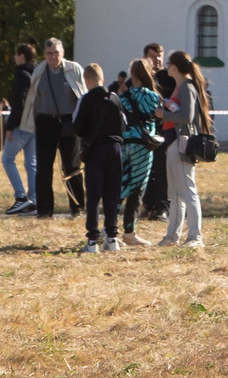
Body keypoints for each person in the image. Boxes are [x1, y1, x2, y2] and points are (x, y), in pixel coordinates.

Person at [28, 38, 88, 219]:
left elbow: (82, 96)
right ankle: (45, 210)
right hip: (46, 122)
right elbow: (34, 100)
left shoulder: (74, 69)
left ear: (63, 53)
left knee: (72, 166)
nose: (54, 56)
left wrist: (83, 123)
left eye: (57, 53)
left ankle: (77, 207)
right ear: (44, 55)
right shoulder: (39, 71)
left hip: (69, 122)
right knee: (44, 167)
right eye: (50, 53)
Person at [72, 61, 125, 254]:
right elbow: (123, 125)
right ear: (101, 78)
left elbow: (76, 127)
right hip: (115, 149)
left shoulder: (85, 100)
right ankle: (112, 238)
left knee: (93, 196)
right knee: (112, 194)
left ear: (87, 80)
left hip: (95, 151)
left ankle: (92, 240)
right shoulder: (114, 98)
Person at [160, 50, 210, 247]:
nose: (165, 66)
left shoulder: (186, 87)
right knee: (175, 193)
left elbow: (187, 117)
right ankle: (173, 235)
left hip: (182, 144)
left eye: (168, 63)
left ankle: (195, 237)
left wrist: (162, 114)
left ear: (174, 67)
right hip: (174, 143)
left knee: (188, 191)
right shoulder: (180, 87)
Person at [116, 59, 166, 247]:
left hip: (125, 144)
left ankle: (110, 228)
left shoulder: (124, 97)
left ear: (132, 74)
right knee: (137, 188)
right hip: (143, 146)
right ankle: (129, 232)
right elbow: (159, 117)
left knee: (121, 186)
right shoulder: (152, 96)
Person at [140, 42, 174, 226]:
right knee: (147, 169)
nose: (158, 60)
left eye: (160, 56)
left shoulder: (168, 78)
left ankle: (162, 207)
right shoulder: (140, 78)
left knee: (162, 170)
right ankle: (148, 205)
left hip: (163, 131)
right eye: (154, 56)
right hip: (145, 132)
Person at [1, 43, 37, 214]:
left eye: (16, 54)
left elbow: (18, 102)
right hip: (34, 124)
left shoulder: (21, 73)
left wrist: (10, 126)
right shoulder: (37, 73)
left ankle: (20, 197)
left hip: (21, 124)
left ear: (22, 56)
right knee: (31, 163)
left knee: (7, 159)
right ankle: (35, 198)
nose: (14, 58)